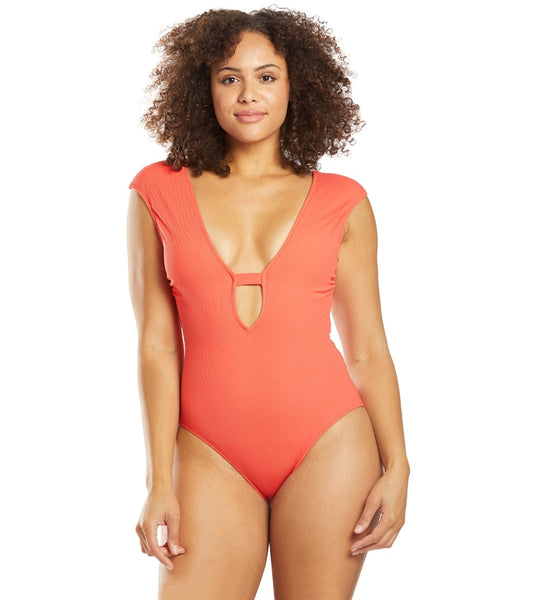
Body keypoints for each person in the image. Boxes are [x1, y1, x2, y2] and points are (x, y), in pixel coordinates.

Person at [126, 8, 409, 599]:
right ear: (203, 88)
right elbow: (157, 344)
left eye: (267, 77)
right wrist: (158, 480)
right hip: (207, 450)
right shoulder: (157, 190)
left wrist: (399, 466)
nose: (248, 94)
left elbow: (366, 348)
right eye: (229, 78)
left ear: (295, 85)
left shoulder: (344, 201)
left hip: (329, 444)